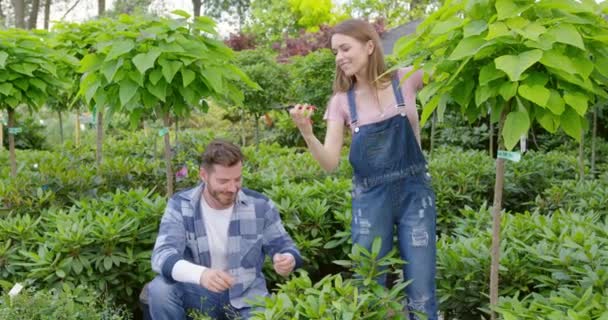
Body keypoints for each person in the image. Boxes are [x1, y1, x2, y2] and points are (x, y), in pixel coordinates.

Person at [289, 19, 437, 319]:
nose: (339, 57)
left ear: (370, 46)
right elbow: (330, 162)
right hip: (370, 200)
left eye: (345, 48)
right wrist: (306, 132)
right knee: (368, 286)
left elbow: (452, 74)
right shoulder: (342, 102)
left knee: (421, 290)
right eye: (335, 52)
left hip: (415, 193)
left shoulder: (405, 78)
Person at [148, 139, 303, 320]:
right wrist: (202, 275)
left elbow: (286, 246)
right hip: (200, 294)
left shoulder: (260, 205)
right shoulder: (181, 205)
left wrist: (287, 259)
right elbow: (162, 255)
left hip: (248, 299)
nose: (232, 188)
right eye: (223, 181)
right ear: (203, 175)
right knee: (160, 290)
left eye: (237, 179)